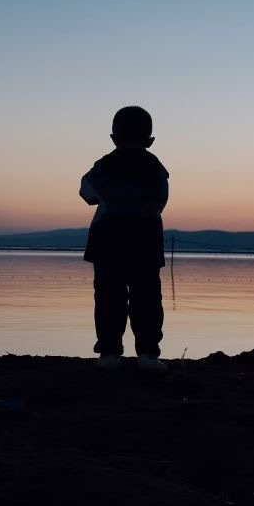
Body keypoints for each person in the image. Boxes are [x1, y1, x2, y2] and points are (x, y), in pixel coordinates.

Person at [79, 105, 169, 371]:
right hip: (146, 240)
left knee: (108, 296)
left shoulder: (104, 166)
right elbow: (160, 202)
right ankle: (148, 355)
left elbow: (86, 193)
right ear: (150, 141)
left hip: (109, 239)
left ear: (113, 138)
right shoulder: (156, 168)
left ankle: (109, 353)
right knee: (148, 297)